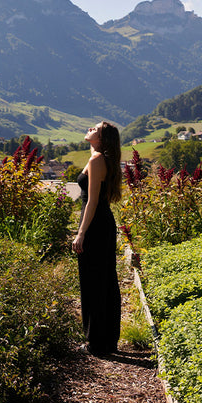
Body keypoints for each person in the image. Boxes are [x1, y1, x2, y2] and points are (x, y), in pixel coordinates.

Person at [72, 121, 122, 357]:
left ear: (101, 138)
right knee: (104, 282)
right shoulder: (100, 158)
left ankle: (96, 343)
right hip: (102, 223)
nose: (89, 128)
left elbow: (91, 202)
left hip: (95, 226)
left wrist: (81, 233)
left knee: (94, 283)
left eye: (95, 128)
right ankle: (105, 341)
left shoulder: (96, 160)